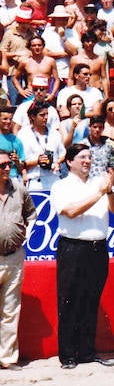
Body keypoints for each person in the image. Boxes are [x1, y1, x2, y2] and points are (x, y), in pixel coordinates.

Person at [50, 143, 114, 369]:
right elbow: (70, 211)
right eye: (82, 157)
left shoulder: (98, 183)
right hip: (72, 247)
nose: (87, 161)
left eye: (89, 157)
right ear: (69, 162)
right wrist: (99, 193)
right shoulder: (61, 186)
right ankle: (68, 354)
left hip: (98, 247)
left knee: (92, 300)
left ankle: (88, 352)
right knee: (69, 300)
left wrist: (108, 191)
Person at [0, 151, 36, 370]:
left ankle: (7, 358)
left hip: (14, 256)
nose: (7, 169)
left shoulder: (19, 189)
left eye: (9, 165)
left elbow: (31, 214)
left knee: (11, 309)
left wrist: (25, 235)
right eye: (2, 165)